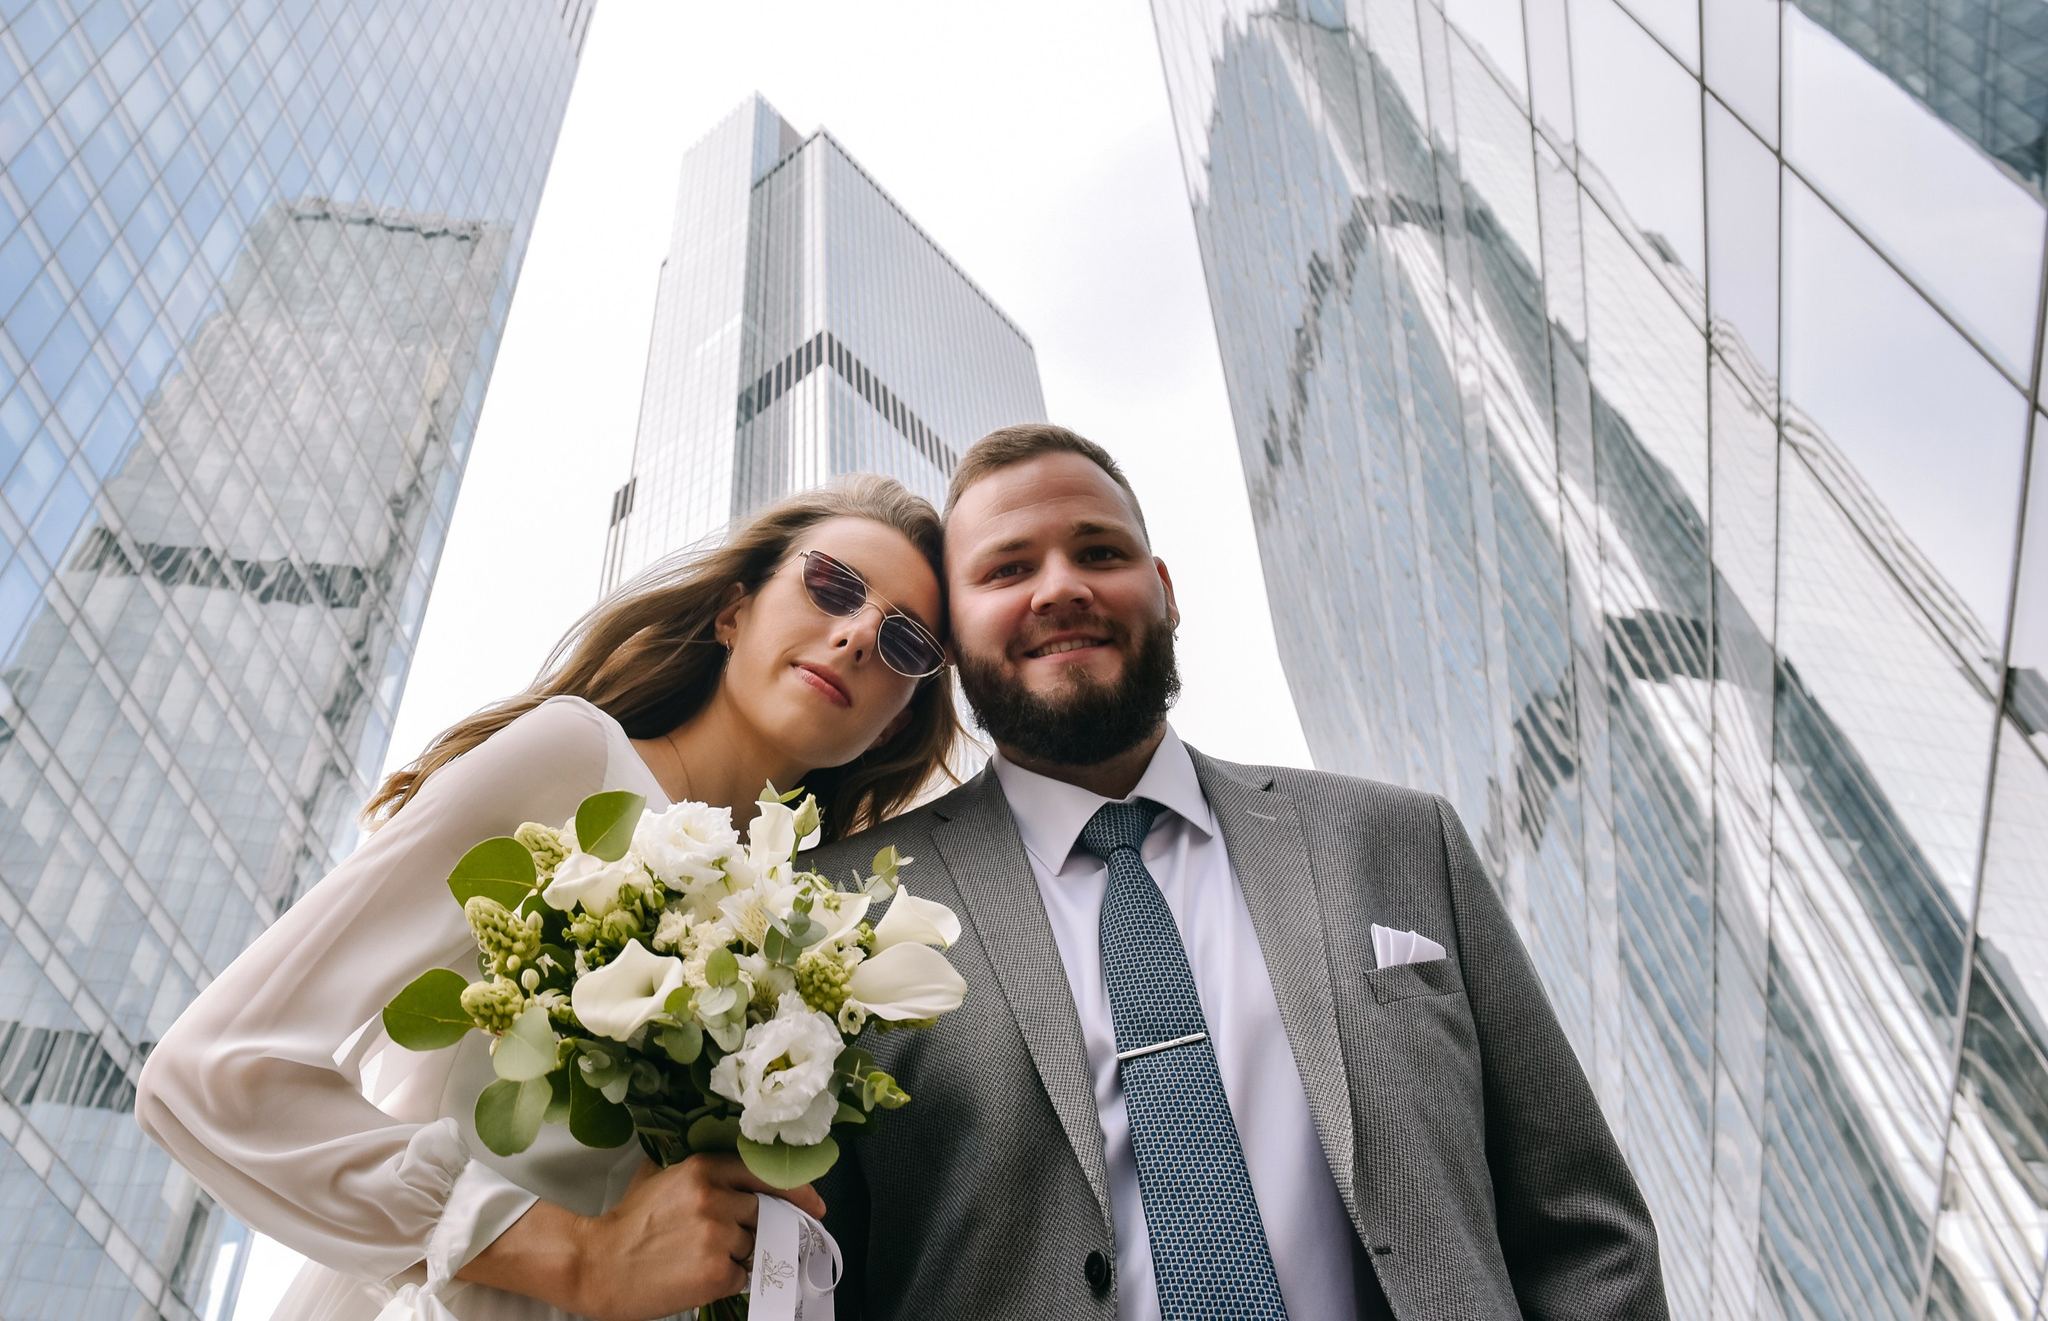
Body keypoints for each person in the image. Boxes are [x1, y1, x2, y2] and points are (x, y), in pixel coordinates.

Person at [808, 425, 1666, 1321]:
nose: (1060, 587)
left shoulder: (1401, 838)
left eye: (1099, 552)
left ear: (1165, 591)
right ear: (950, 636)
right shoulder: (846, 909)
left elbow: (1585, 1232)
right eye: (1007, 568)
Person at [135, 475, 959, 1321]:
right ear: (733, 610)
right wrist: (575, 1255)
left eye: (905, 642)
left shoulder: (813, 942)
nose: (856, 636)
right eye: (831, 585)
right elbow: (216, 1067)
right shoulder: (576, 759)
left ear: (896, 722)